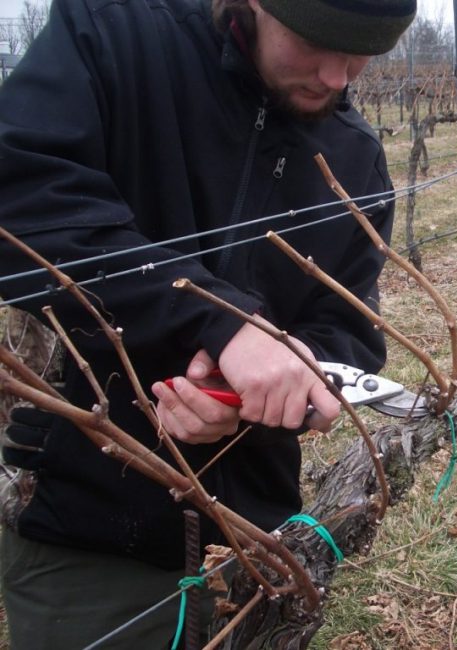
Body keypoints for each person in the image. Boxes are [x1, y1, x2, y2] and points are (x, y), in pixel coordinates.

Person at [0, 0, 416, 647]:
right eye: (313, 42)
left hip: (259, 546)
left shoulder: (353, 163)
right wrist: (220, 323)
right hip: (87, 532)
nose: (337, 77)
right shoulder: (114, 33)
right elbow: (22, 206)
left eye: (364, 53)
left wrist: (267, 394)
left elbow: (347, 334)